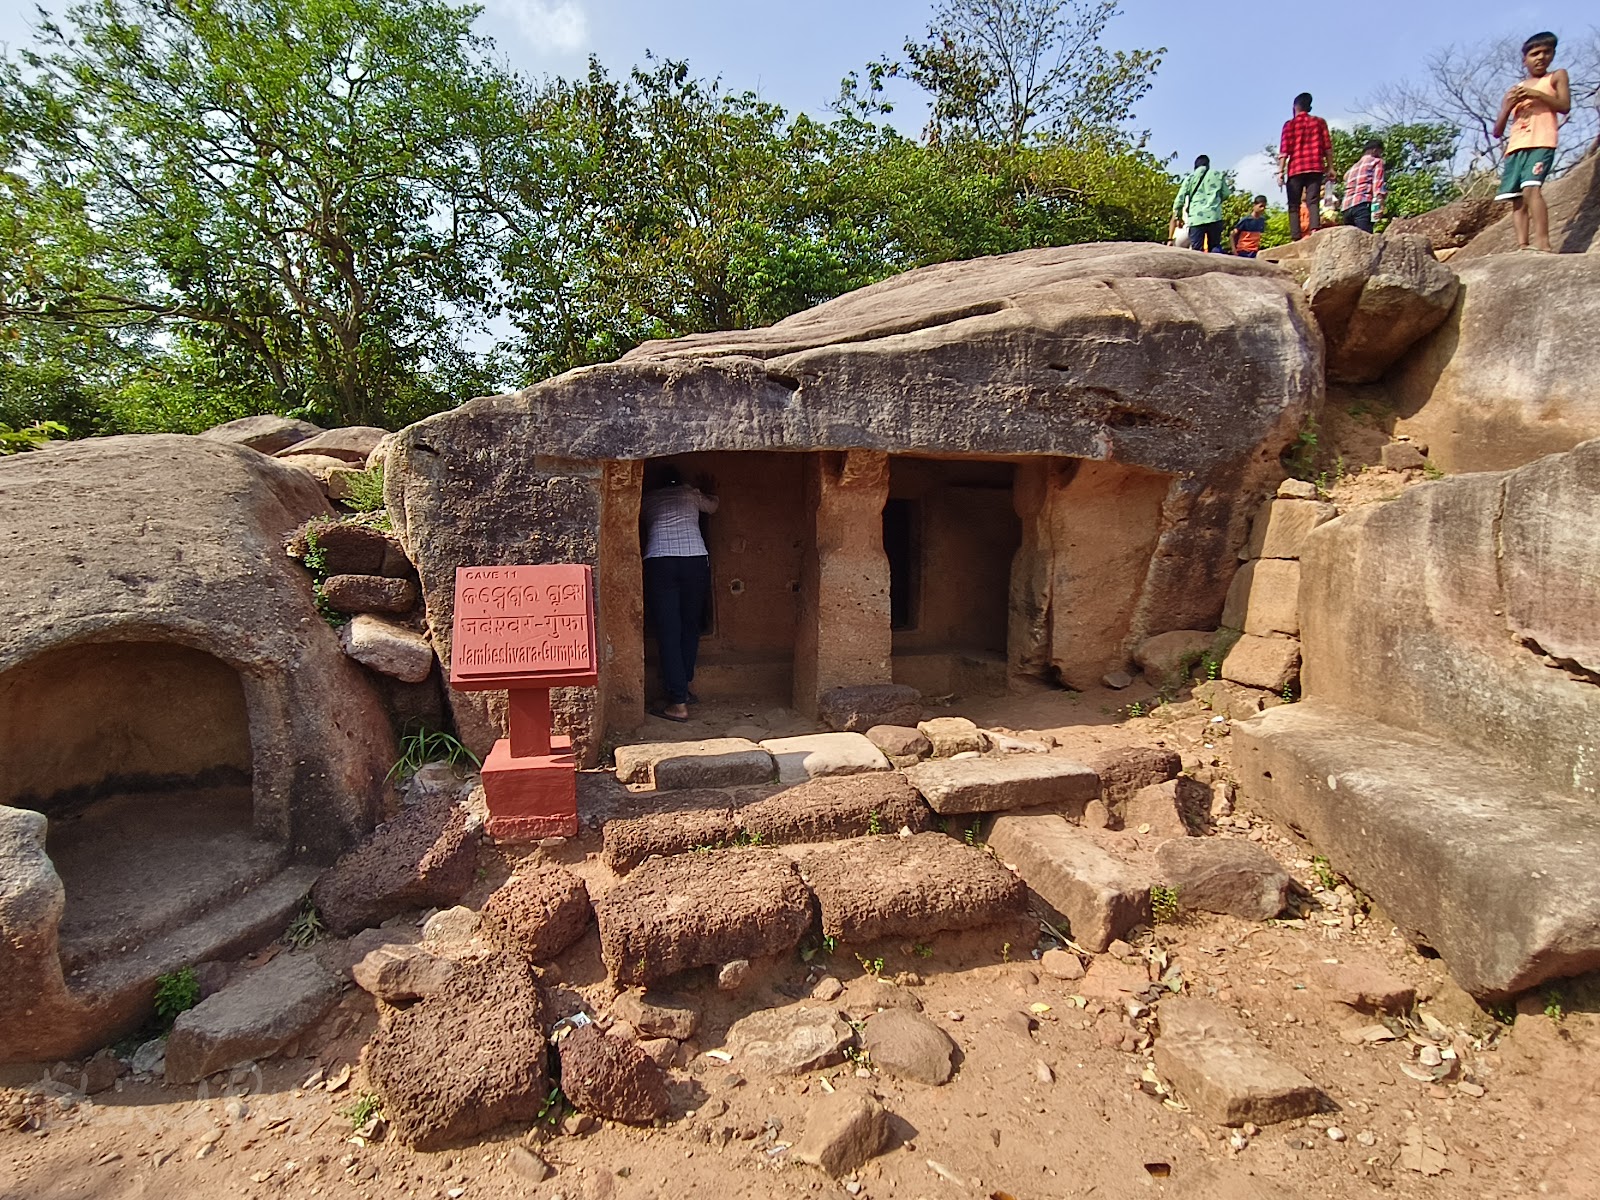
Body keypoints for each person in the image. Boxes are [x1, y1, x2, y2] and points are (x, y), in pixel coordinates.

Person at [641, 465, 718, 721]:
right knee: (690, 626)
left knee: (668, 630)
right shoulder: (690, 494)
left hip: (660, 560)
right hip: (694, 560)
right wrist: (710, 491)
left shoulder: (649, 498)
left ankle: (678, 700)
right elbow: (713, 507)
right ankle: (682, 689)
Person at [1492, 31, 1571, 253]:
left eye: (1546, 52)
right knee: (1516, 198)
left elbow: (1564, 106)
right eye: (1535, 53)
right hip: (1516, 146)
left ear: (1553, 54)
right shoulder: (1515, 90)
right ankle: (1522, 245)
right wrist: (1508, 105)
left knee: (1531, 189)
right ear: (1525, 59)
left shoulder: (1555, 77)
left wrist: (1535, 95)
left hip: (1541, 141)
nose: (1540, 58)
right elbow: (1497, 131)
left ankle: (1543, 244)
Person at [1278, 92, 1332, 241]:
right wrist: (1331, 167)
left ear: (1295, 107)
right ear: (1310, 107)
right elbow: (1327, 147)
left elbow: (1284, 151)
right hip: (1315, 166)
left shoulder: (1290, 125)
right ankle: (1315, 229)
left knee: (1294, 204)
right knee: (1312, 200)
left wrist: (1280, 172)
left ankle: (1296, 237)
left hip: (1296, 169)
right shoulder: (1320, 122)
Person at [1170, 154, 1231, 253]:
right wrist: (1215, 201)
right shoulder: (1217, 175)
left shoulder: (1190, 177)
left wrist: (1178, 216)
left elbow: (1179, 199)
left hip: (1196, 218)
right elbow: (1226, 194)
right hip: (1214, 216)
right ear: (1208, 164)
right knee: (1215, 246)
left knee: (1196, 250)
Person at [1341, 138, 1387, 233]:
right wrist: (1379, 207)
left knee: (1351, 242)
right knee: (1365, 241)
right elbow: (1377, 186)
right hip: (1362, 205)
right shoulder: (1377, 162)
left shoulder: (1353, 167)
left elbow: (1345, 177)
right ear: (1375, 150)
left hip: (1346, 207)